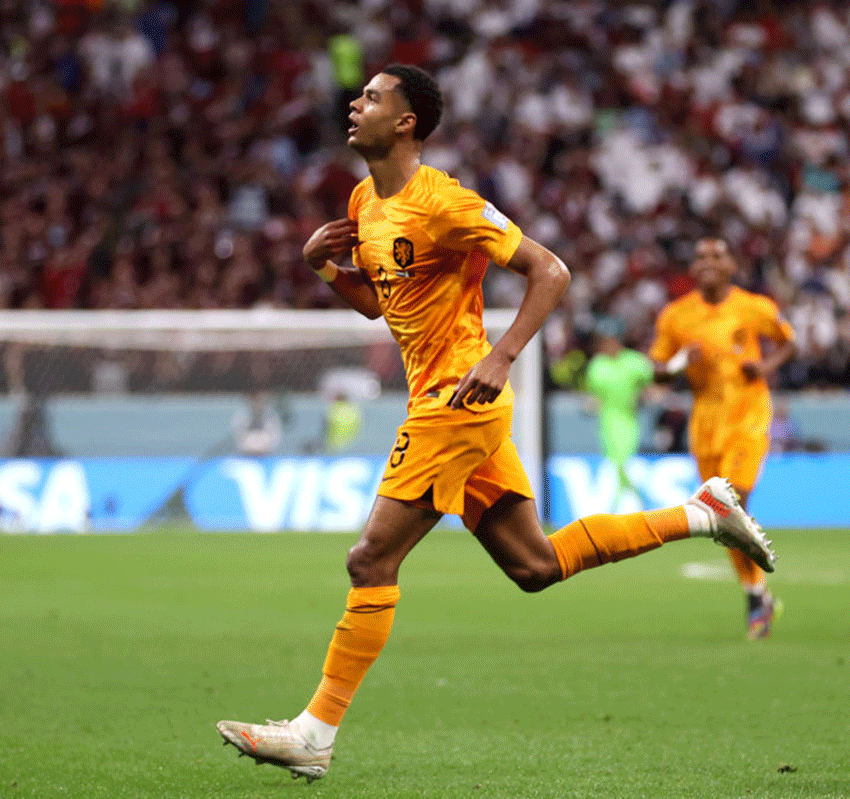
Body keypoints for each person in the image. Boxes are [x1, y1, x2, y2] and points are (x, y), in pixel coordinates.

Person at [216, 65, 775, 782]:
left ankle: (314, 732)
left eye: (374, 98)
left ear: (407, 121)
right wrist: (325, 269)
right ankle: (700, 513)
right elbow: (380, 306)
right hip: (448, 400)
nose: (356, 105)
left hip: (457, 396)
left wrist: (504, 355)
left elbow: (551, 270)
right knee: (534, 566)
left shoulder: (444, 202)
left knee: (369, 559)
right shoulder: (364, 201)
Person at [649, 237, 796, 640]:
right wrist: (682, 362)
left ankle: (754, 597)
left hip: (748, 415)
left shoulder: (754, 307)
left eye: (717, 255)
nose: (708, 261)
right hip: (706, 422)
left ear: (732, 264)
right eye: (700, 256)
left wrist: (765, 366)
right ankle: (757, 594)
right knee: (722, 519)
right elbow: (658, 369)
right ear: (692, 269)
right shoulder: (677, 316)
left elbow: (789, 341)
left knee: (732, 503)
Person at [581, 316, 654, 510]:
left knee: (622, 463)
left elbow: (651, 387)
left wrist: (644, 396)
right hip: (607, 422)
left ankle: (628, 503)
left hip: (629, 420)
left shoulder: (636, 362)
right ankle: (632, 503)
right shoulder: (597, 366)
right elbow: (594, 397)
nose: (606, 344)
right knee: (617, 465)